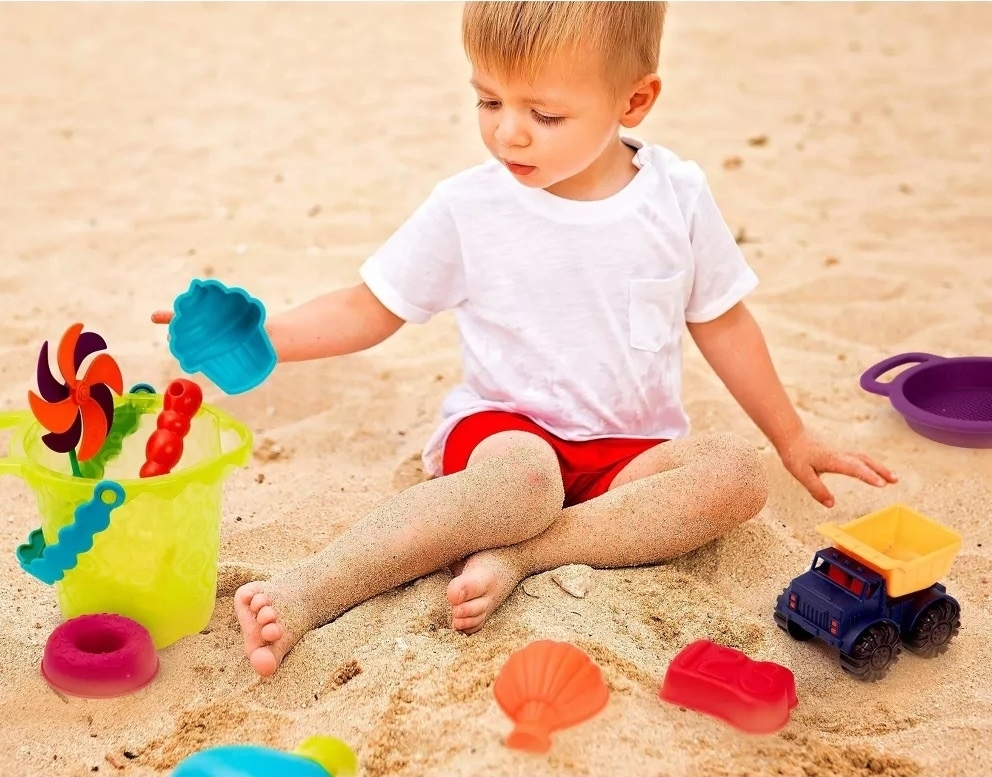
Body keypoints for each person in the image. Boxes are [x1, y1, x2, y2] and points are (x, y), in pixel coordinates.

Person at [154, 1, 896, 677]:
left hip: (629, 454)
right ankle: (310, 590)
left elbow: (722, 319)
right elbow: (370, 305)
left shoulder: (676, 196)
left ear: (633, 100)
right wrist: (267, 334)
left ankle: (526, 554)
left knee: (736, 474)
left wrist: (792, 433)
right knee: (526, 483)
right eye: (489, 99)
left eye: (543, 113)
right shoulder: (470, 206)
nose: (508, 130)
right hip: (506, 434)